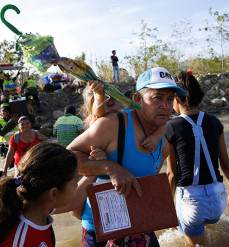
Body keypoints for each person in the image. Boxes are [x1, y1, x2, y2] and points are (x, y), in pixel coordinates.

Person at [68, 67, 187, 246]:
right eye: (157, 98)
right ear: (138, 99)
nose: (165, 105)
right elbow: (66, 158)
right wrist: (111, 168)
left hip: (140, 226)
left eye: (170, 99)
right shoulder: (113, 125)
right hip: (101, 231)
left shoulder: (163, 141)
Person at [0, 142, 95, 247]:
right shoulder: (20, 239)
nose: (77, 185)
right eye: (74, 181)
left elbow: (75, 200)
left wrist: (97, 171)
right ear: (54, 193)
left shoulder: (37, 211)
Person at [165, 70, 229, 246]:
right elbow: (226, 163)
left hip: (192, 203)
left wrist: (168, 208)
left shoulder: (171, 127)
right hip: (218, 199)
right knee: (202, 224)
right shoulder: (215, 122)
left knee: (186, 229)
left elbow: (171, 174)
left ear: (177, 98)